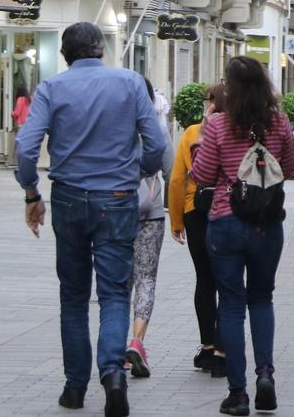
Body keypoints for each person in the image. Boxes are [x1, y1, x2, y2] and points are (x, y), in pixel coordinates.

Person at [16, 22, 167, 417]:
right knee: (115, 293)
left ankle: (75, 387)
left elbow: (26, 147)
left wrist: (31, 191)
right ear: (102, 49)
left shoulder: (52, 88)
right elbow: (157, 143)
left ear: (65, 55)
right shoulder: (131, 83)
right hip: (117, 198)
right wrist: (138, 172)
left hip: (67, 197)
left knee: (74, 295)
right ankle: (113, 374)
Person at [191, 57, 294, 416]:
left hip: (226, 220)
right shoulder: (279, 122)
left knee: (233, 305)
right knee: (262, 299)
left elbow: (203, 174)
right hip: (268, 223)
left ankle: (238, 393)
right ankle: (265, 374)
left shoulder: (219, 124)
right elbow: (293, 169)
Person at [167, 85, 228, 377]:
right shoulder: (239, 131)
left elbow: (177, 180)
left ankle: (206, 347)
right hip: (228, 212)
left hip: (196, 210)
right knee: (226, 280)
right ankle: (221, 349)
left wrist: (176, 220)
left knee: (204, 279)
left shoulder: (193, 133)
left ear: (212, 104)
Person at [124, 79, 174, 379]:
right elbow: (172, 173)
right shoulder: (156, 128)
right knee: (146, 280)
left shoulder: (113, 127)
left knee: (120, 282)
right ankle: (137, 342)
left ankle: (115, 345)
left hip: (115, 210)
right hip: (150, 212)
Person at [8, 86, 31, 167]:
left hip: (22, 125)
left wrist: (12, 113)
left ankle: (19, 163)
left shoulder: (20, 99)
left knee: (20, 145)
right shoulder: (31, 99)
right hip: (31, 125)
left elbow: (17, 113)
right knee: (28, 145)